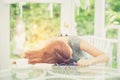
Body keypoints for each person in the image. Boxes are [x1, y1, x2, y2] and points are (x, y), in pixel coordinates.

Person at [21, 35, 109, 66]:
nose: (71, 58)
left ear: (67, 45)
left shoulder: (75, 41)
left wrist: (90, 61)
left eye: (71, 55)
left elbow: (105, 56)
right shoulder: (49, 47)